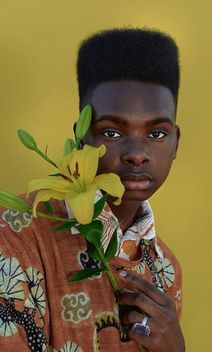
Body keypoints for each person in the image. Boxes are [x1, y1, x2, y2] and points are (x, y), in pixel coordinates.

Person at [0, 28, 185, 351]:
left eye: (157, 134)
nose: (137, 153)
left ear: (176, 142)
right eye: (112, 132)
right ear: (82, 136)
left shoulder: (166, 268)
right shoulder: (13, 237)